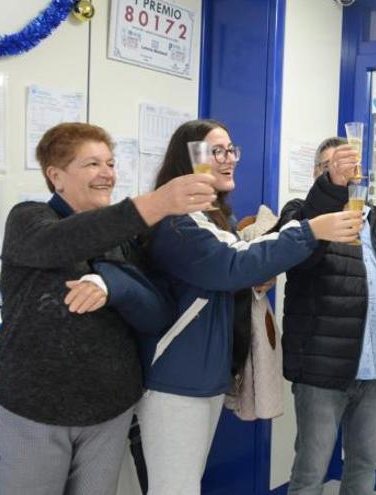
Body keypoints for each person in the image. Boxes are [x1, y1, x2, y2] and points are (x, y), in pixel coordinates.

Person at [136, 119, 362, 495]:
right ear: (188, 160)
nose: (228, 159)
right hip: (174, 382)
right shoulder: (175, 225)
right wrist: (312, 230)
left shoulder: (209, 220)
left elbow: (243, 260)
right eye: (216, 151)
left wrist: (329, 190)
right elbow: (230, 265)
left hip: (204, 378)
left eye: (230, 150)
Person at [0, 122, 216, 495]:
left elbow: (156, 314)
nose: (107, 174)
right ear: (56, 176)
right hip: (35, 409)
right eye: (92, 164)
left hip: (109, 412)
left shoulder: (123, 239)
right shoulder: (29, 219)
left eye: (110, 164)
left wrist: (113, 285)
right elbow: (62, 242)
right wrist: (157, 203)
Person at [277, 139, 376, 495]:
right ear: (318, 175)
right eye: (333, 167)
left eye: (349, 167)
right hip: (322, 375)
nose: (345, 173)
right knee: (310, 472)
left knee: (363, 466)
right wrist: (329, 192)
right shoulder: (300, 219)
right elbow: (297, 258)